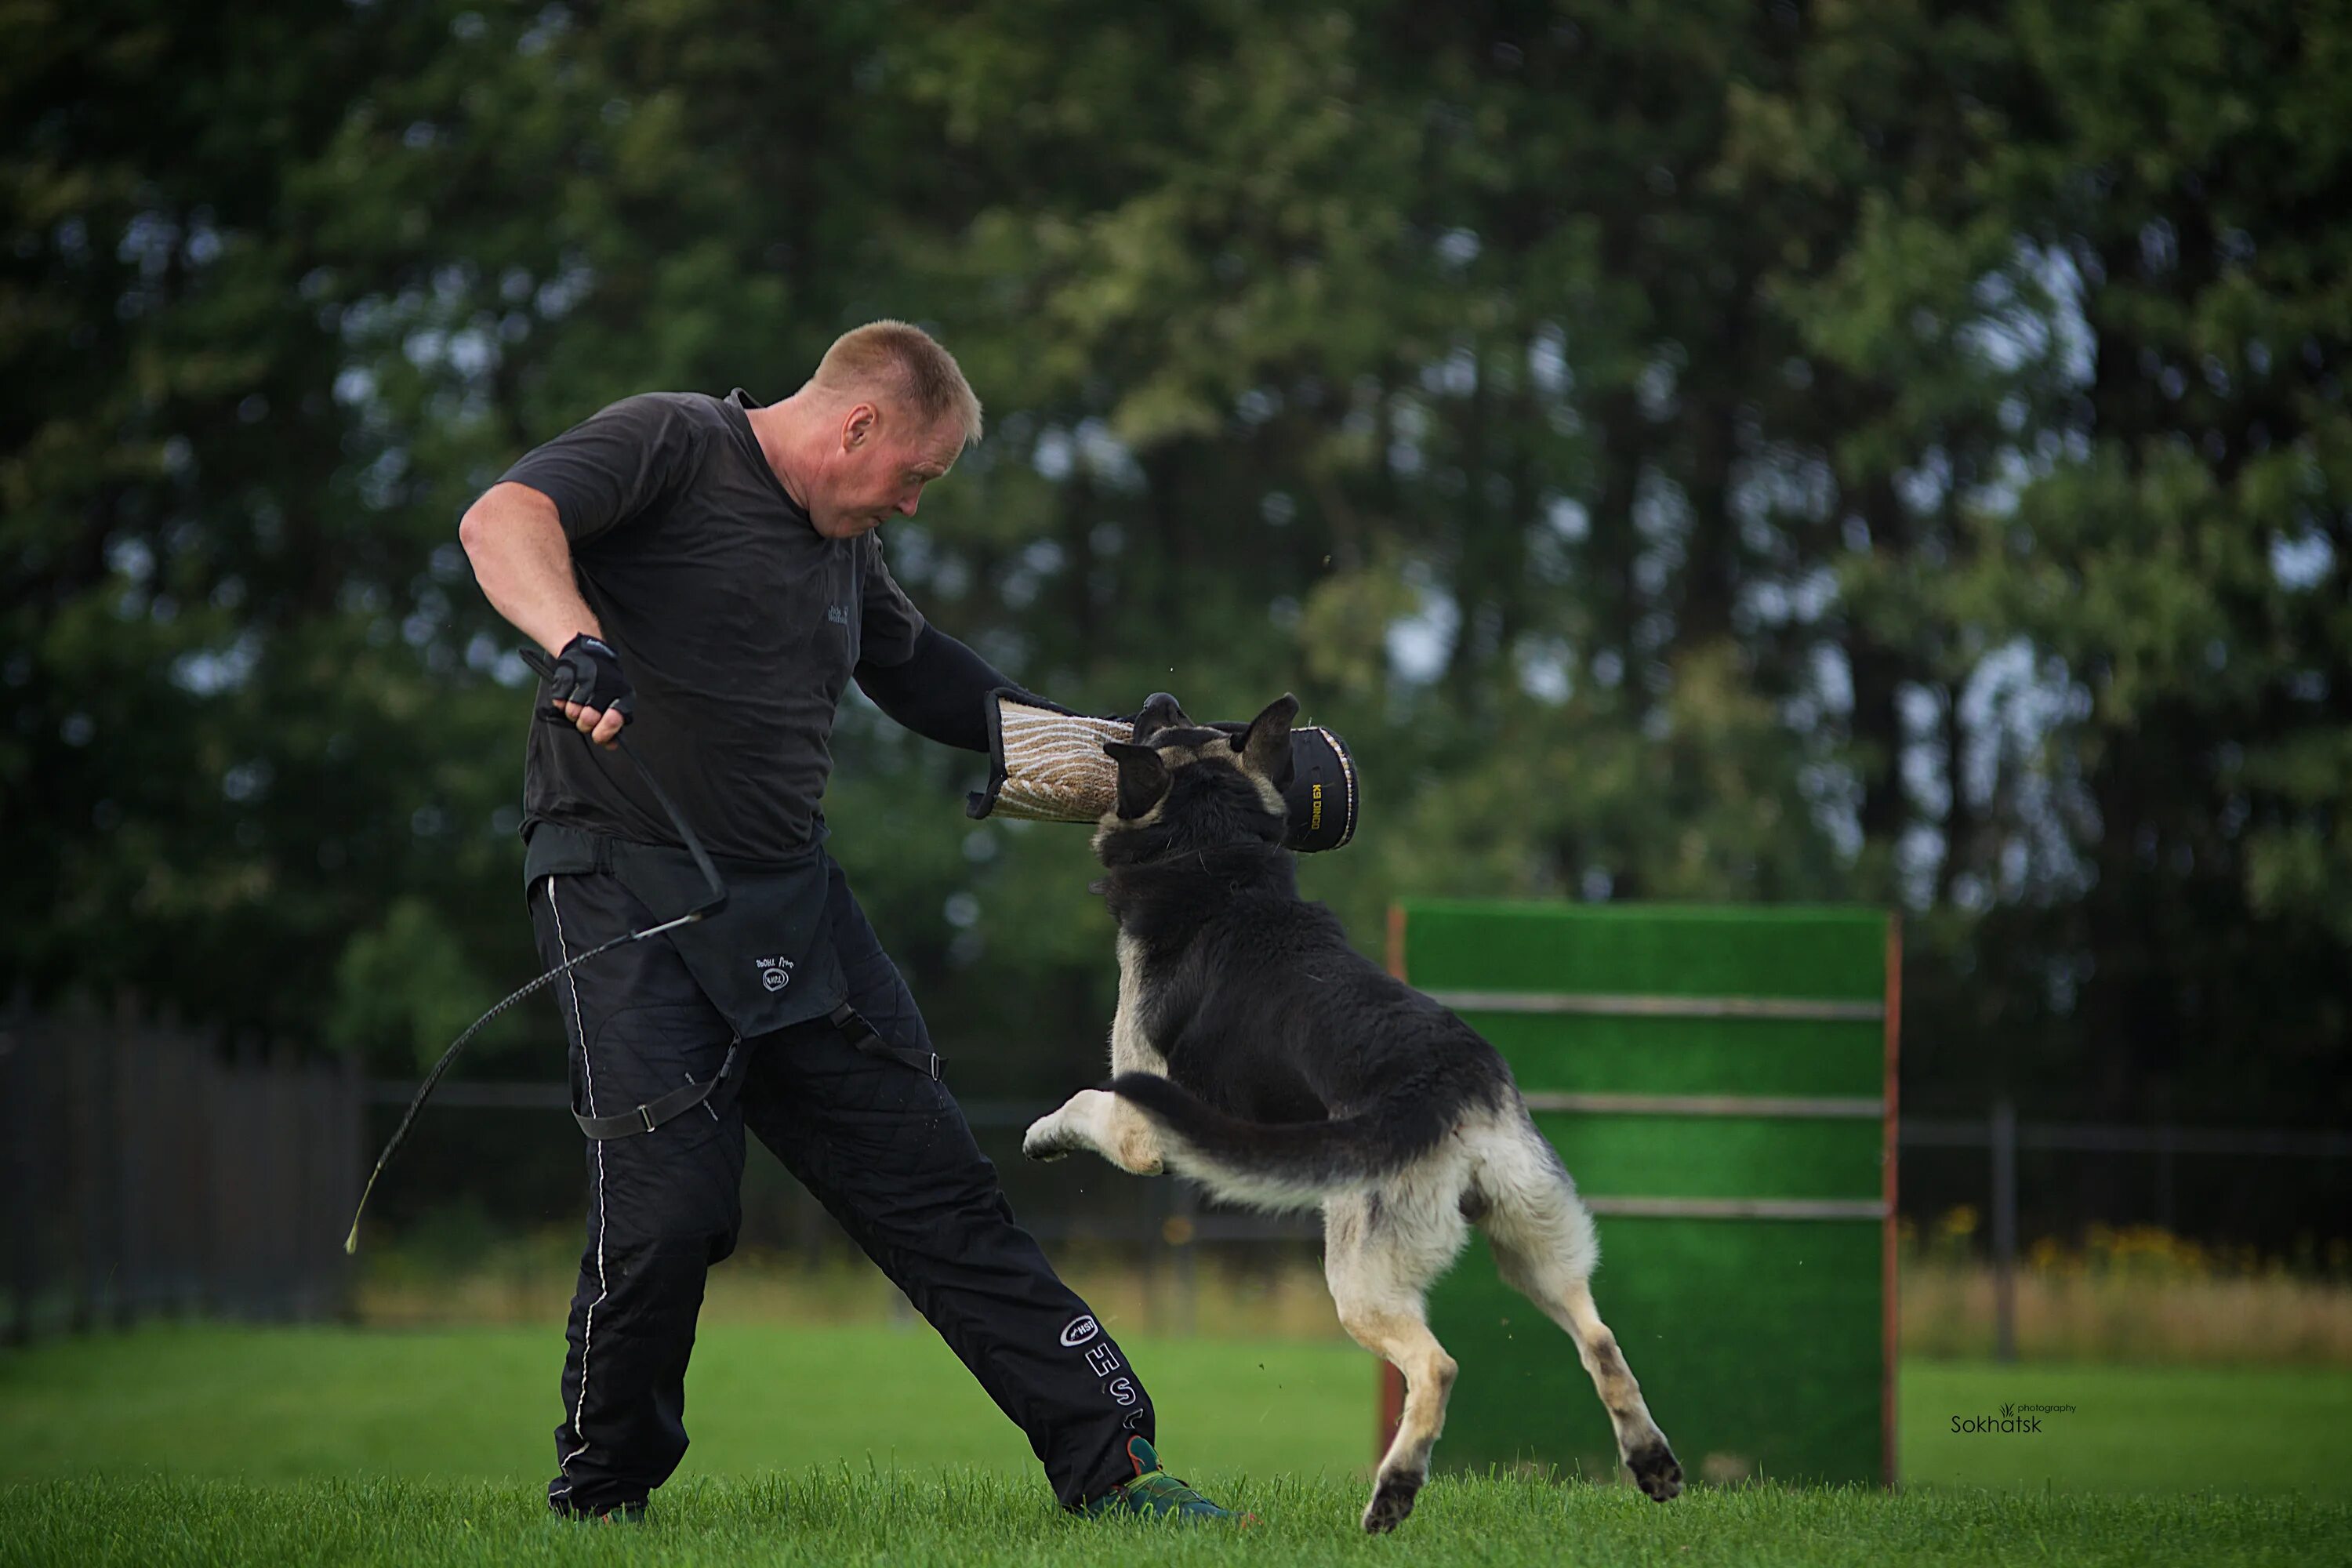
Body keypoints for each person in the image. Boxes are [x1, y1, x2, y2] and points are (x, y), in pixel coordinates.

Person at [457, 321, 1235, 1523]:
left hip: (793, 908)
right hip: (622, 884)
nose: (912, 507)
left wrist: (1133, 763)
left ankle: (1116, 1470)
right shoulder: (673, 440)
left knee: (940, 1192)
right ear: (857, 425)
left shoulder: (843, 551)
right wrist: (576, 644)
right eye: (914, 477)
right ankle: (602, 1502)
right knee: (669, 1221)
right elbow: (502, 518)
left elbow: (929, 677)